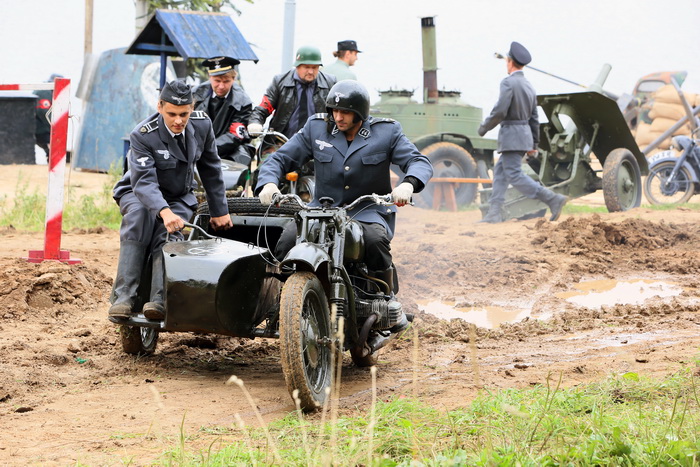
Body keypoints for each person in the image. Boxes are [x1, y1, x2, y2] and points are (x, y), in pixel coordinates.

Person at [255, 80, 433, 332]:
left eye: (345, 112)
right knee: (286, 241)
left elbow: (419, 161)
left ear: (360, 112)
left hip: (366, 209)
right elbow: (281, 158)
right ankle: (284, 300)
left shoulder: (387, 132)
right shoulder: (316, 128)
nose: (338, 117)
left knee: (374, 241)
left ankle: (384, 301)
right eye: (334, 111)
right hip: (321, 210)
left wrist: (409, 184)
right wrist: (268, 183)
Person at [109, 80, 233, 321]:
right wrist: (164, 211)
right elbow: (144, 183)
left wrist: (220, 210)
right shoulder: (143, 135)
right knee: (138, 217)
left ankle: (158, 299)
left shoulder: (202, 125)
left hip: (178, 195)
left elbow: (211, 168)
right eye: (172, 114)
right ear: (160, 107)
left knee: (169, 232)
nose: (178, 120)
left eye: (184, 114)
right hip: (138, 192)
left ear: (192, 108)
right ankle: (124, 297)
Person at [477, 41, 567, 224]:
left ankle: (552, 198)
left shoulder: (508, 83)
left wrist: (484, 127)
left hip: (511, 136)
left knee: (514, 174)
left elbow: (500, 111)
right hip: (523, 137)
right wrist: (533, 144)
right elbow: (534, 118)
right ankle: (494, 213)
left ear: (509, 62)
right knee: (501, 172)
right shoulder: (528, 86)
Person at [247, 45, 337, 138]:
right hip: (282, 141)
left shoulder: (330, 83)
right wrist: (255, 122)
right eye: (306, 67)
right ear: (297, 66)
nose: (310, 71)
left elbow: (338, 112)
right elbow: (264, 107)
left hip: (318, 142)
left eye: (314, 67)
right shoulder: (280, 82)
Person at [193, 56, 254, 165]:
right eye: (217, 81)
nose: (221, 86)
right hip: (196, 148)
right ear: (209, 77)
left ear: (234, 79)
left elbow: (235, 135)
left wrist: (208, 150)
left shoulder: (243, 102)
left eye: (226, 81)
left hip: (227, 151)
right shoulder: (195, 94)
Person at [33, 73, 63, 160]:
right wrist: (56, 130)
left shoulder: (45, 91)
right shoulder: (44, 92)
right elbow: (44, 113)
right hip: (39, 129)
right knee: (52, 144)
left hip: (38, 127)